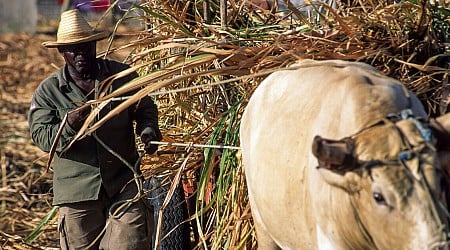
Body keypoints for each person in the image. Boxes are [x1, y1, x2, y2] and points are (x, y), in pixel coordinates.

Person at [28, 9, 161, 249]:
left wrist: (148, 129)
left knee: (129, 243)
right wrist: (69, 124)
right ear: (61, 52)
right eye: (72, 49)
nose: (80, 54)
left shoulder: (121, 77)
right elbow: (42, 138)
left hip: (124, 184)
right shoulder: (49, 91)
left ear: (94, 45)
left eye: (85, 47)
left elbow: (145, 107)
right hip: (78, 194)